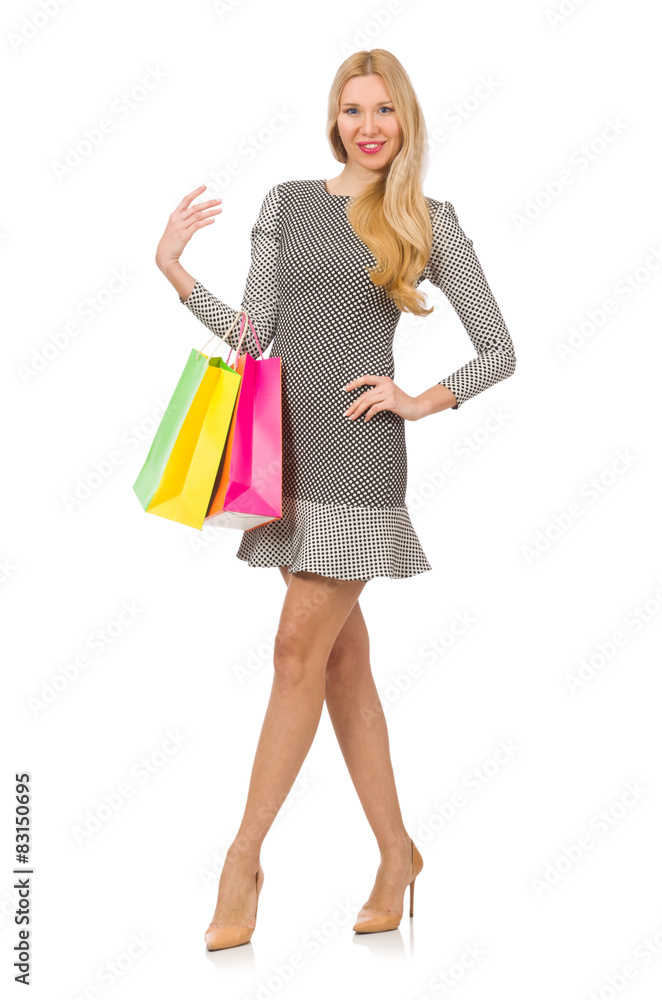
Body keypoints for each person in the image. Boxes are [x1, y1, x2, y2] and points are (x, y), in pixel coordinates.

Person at [155, 48, 516, 951]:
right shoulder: (287, 205)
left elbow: (498, 350)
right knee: (339, 663)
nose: (368, 125)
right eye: (354, 108)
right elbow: (258, 335)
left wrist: (419, 396)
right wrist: (173, 268)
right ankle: (398, 855)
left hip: (359, 460)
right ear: (334, 116)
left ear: (405, 123)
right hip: (287, 460)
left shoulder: (425, 221)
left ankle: (243, 859)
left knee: (292, 653)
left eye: (384, 111)